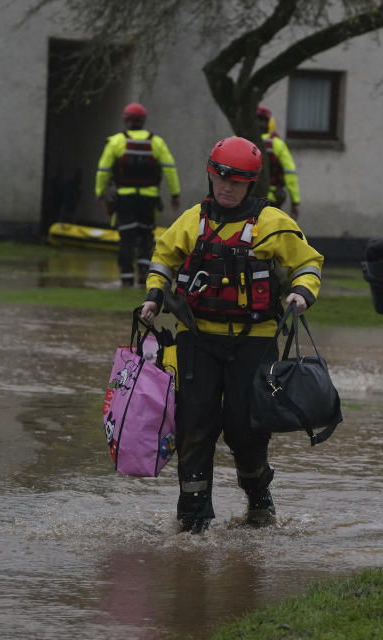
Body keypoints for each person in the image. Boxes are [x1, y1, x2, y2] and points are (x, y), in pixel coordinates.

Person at [139, 136, 324, 534]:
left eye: (236, 181)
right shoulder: (192, 219)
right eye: (220, 178)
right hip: (197, 339)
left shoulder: (272, 223)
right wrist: (155, 293)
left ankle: (259, 501)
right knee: (195, 423)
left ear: (250, 183)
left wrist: (302, 291)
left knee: (246, 427)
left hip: (253, 342)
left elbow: (307, 262)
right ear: (211, 176)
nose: (226, 187)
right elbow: (164, 257)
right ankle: (191, 518)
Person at [96, 102, 182, 286]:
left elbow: (103, 170)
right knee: (145, 236)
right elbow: (169, 169)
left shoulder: (116, 141)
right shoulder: (156, 142)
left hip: (125, 198)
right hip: (148, 199)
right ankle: (144, 275)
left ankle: (126, 278)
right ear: (144, 121)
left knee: (126, 237)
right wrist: (175, 194)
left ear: (126, 120)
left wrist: (99, 192)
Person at [256, 104, 301, 219]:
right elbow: (289, 174)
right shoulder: (277, 144)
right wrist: (295, 201)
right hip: (273, 200)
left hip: (246, 198)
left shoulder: (238, 140)